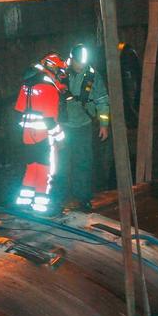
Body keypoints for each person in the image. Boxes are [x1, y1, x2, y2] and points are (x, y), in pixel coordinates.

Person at [14, 52, 69, 215]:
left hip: (27, 137)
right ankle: (41, 208)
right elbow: (50, 121)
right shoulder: (49, 89)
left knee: (31, 170)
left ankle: (24, 205)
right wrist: (61, 138)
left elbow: (18, 112)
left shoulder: (27, 85)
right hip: (44, 138)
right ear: (53, 69)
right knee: (45, 172)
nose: (61, 76)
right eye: (60, 72)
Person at [60, 42, 110, 212]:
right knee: (58, 164)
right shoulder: (60, 74)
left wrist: (104, 124)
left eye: (83, 62)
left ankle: (83, 198)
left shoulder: (93, 76)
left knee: (83, 163)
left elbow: (102, 100)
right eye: (78, 62)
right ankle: (57, 198)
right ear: (71, 59)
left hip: (83, 125)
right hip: (62, 126)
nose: (81, 66)